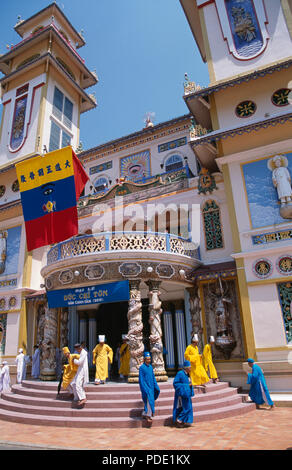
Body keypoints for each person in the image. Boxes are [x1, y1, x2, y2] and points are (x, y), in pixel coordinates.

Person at [138, 352, 160, 423]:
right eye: (147, 359)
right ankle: (148, 416)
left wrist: (156, 386)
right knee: (149, 401)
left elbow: (153, 377)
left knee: (150, 401)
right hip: (146, 388)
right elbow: (141, 379)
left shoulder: (150, 367)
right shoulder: (142, 368)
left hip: (151, 387)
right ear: (144, 359)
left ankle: (145, 413)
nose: (149, 360)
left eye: (149, 359)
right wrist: (144, 388)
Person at [173, 360, 194, 428]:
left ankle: (184, 421)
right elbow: (175, 383)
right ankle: (179, 419)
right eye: (190, 367)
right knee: (186, 407)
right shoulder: (180, 373)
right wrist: (187, 385)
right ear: (186, 368)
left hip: (187, 394)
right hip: (182, 394)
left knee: (188, 407)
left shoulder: (187, 375)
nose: (191, 369)